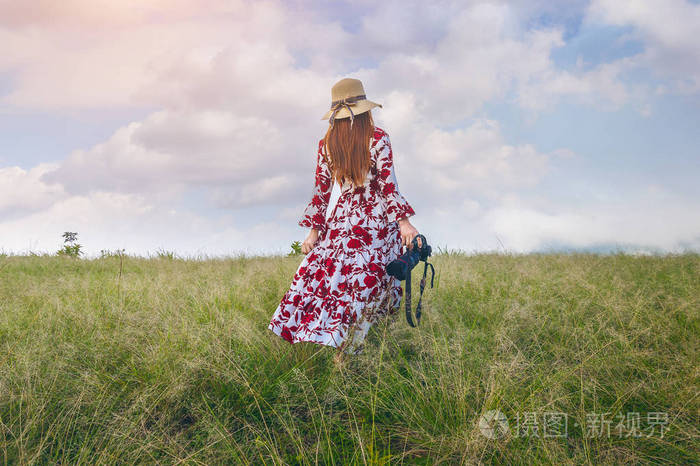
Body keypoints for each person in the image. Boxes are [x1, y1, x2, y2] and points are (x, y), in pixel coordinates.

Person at [267, 77, 421, 364]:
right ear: (365, 109)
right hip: (375, 222)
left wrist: (314, 233)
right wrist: (404, 222)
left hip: (343, 221)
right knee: (374, 281)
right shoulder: (378, 138)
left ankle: (342, 341)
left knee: (336, 281)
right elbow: (388, 186)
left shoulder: (326, 144)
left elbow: (321, 193)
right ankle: (352, 348)